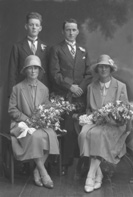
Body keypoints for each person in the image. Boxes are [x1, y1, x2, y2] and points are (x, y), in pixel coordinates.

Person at [78, 54, 130, 193]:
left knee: (99, 135)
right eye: (100, 66)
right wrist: (90, 117)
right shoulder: (91, 87)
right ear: (97, 69)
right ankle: (98, 174)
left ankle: (90, 175)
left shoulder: (120, 86)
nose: (103, 69)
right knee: (84, 133)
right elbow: (89, 108)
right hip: (96, 122)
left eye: (106, 66)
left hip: (115, 124)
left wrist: (112, 118)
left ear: (111, 69)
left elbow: (124, 111)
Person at [8, 55, 59, 188]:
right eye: (30, 68)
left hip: (38, 123)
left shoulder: (44, 89)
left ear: (39, 71)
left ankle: (37, 170)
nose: (33, 71)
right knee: (36, 136)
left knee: (51, 135)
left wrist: (44, 116)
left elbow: (46, 107)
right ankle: (43, 172)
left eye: (36, 68)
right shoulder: (17, 88)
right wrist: (26, 119)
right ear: (25, 71)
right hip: (21, 123)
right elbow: (12, 109)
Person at [49, 18, 92, 175]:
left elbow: (88, 74)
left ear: (78, 31)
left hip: (80, 97)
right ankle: (64, 164)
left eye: (74, 29)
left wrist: (80, 88)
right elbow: (55, 73)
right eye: (68, 29)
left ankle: (83, 163)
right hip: (63, 96)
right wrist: (70, 86)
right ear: (63, 31)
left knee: (80, 128)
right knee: (66, 128)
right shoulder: (56, 49)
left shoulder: (83, 51)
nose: (71, 32)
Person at [8, 12, 49, 96]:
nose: (34, 27)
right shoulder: (17, 47)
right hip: (22, 91)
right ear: (26, 26)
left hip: (41, 91)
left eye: (37, 25)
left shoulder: (46, 48)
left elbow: (48, 72)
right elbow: (12, 72)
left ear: (40, 28)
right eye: (31, 25)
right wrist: (12, 93)